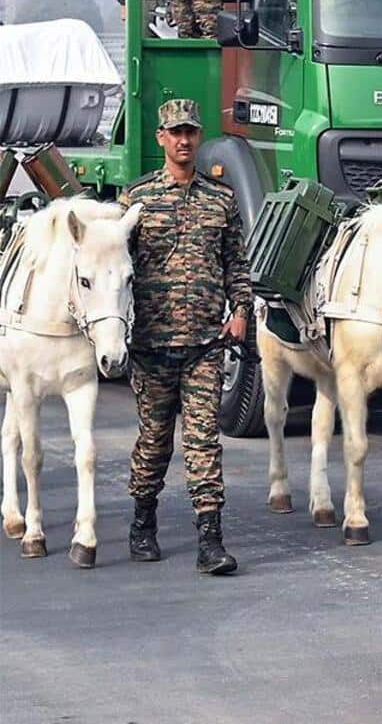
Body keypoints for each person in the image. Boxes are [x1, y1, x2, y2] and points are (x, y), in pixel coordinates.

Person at [119, 99, 248, 575]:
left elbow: (236, 262)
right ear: (160, 138)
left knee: (203, 441)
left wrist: (241, 311)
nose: (183, 140)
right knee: (154, 441)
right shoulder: (136, 201)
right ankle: (142, 521)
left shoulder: (221, 199)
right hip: (152, 346)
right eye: (175, 132)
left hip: (204, 346)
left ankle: (210, 540)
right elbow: (115, 269)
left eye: (191, 132)